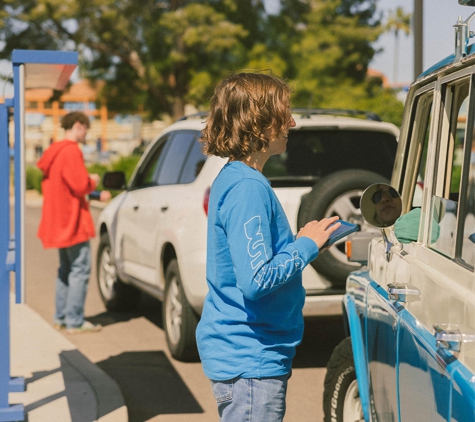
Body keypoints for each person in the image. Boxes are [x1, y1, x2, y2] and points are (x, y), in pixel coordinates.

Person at [195, 72, 341, 422]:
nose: (291, 122)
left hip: (250, 358)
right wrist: (305, 246)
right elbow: (256, 280)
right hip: (251, 362)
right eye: (283, 114)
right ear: (257, 121)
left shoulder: (237, 177)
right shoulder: (247, 187)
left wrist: (304, 240)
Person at [37, 111, 111, 333]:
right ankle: (74, 320)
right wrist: (93, 181)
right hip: (73, 221)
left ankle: (60, 317)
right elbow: (79, 186)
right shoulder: (71, 152)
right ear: (78, 125)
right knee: (80, 269)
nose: (87, 133)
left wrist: (95, 194)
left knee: (65, 269)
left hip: (58, 220)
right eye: (86, 128)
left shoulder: (53, 151)